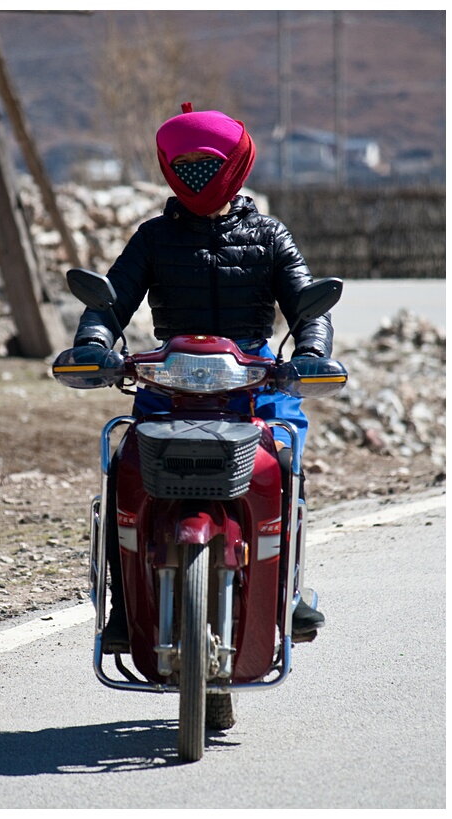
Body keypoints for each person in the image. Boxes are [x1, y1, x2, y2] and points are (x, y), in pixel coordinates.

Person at [74, 102, 333, 653]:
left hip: (255, 383)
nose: (196, 172)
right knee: (126, 468)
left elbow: (309, 308)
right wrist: (96, 340)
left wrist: (310, 350)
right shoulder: (152, 238)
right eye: (184, 162)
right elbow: (112, 300)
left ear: (236, 163)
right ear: (169, 166)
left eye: (208, 161)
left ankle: (287, 590)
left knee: (286, 465)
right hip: (170, 382)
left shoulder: (269, 234)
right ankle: (123, 603)